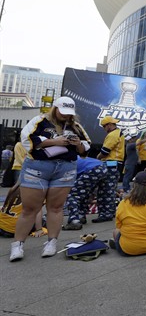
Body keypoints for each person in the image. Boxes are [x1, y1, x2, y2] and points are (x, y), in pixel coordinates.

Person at [10, 97, 91, 261]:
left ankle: (51, 242)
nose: (66, 116)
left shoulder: (75, 126)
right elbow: (26, 140)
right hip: (38, 166)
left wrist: (77, 144)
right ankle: (18, 245)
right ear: (55, 108)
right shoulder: (39, 121)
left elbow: (85, 148)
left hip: (65, 168)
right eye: (63, 112)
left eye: (69, 113)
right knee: (29, 209)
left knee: (56, 207)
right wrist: (56, 141)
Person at [62, 156, 110, 231]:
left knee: (72, 195)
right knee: (84, 193)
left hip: (91, 169)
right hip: (102, 167)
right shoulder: (71, 156)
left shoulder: (62, 162)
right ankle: (81, 215)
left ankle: (74, 220)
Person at [95, 116, 125, 223]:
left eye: (104, 126)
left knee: (105, 189)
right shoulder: (118, 133)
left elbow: (105, 151)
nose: (104, 129)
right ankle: (110, 212)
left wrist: (96, 159)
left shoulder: (112, 135)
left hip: (111, 164)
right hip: (116, 164)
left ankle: (105, 214)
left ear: (108, 125)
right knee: (111, 189)